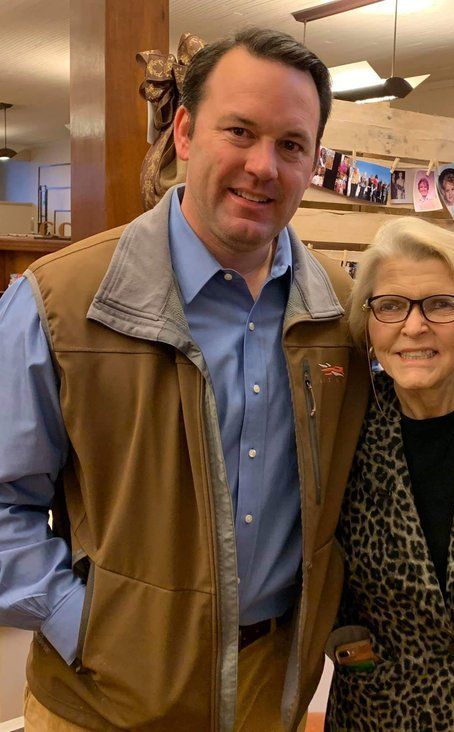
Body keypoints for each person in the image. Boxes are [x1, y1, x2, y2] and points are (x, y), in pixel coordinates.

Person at [0, 27, 368, 731]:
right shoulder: (62, 301)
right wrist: (86, 627)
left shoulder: (344, 313)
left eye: (291, 145)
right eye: (240, 131)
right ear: (186, 133)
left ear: (313, 160)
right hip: (101, 704)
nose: (264, 166)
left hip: (273, 694)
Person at [326, 217, 454, 730]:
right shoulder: (342, 434)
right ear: (369, 326)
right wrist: (349, 650)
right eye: (391, 306)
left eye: (440, 304)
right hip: (378, 711)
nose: (414, 327)